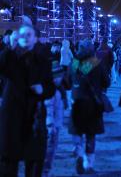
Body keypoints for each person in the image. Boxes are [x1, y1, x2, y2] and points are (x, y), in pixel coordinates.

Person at [0, 25, 55, 177]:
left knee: (35, 159)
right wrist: (10, 47)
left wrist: (42, 89)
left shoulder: (42, 61)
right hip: (12, 115)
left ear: (35, 39)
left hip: (34, 116)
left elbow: (51, 87)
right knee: (8, 160)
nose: (24, 37)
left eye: (29, 34)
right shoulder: (10, 57)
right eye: (22, 34)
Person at [69, 39, 110, 174]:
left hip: (77, 102)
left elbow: (68, 80)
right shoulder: (95, 62)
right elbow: (106, 81)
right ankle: (88, 164)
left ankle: (79, 154)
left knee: (78, 131)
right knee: (90, 134)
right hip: (92, 103)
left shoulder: (74, 62)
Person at [43, 42, 68, 177]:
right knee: (49, 148)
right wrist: (50, 123)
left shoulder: (58, 89)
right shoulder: (52, 90)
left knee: (52, 148)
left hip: (56, 123)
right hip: (52, 125)